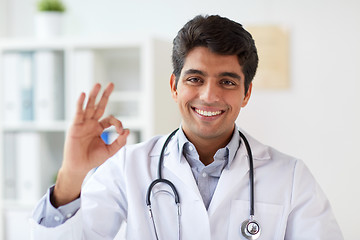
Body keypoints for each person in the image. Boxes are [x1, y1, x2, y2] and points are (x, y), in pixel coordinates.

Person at [30, 15, 343, 239]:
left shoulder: (290, 176)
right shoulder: (129, 166)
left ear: (246, 93)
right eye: (195, 78)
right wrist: (71, 176)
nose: (209, 95)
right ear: (174, 86)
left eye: (227, 81)